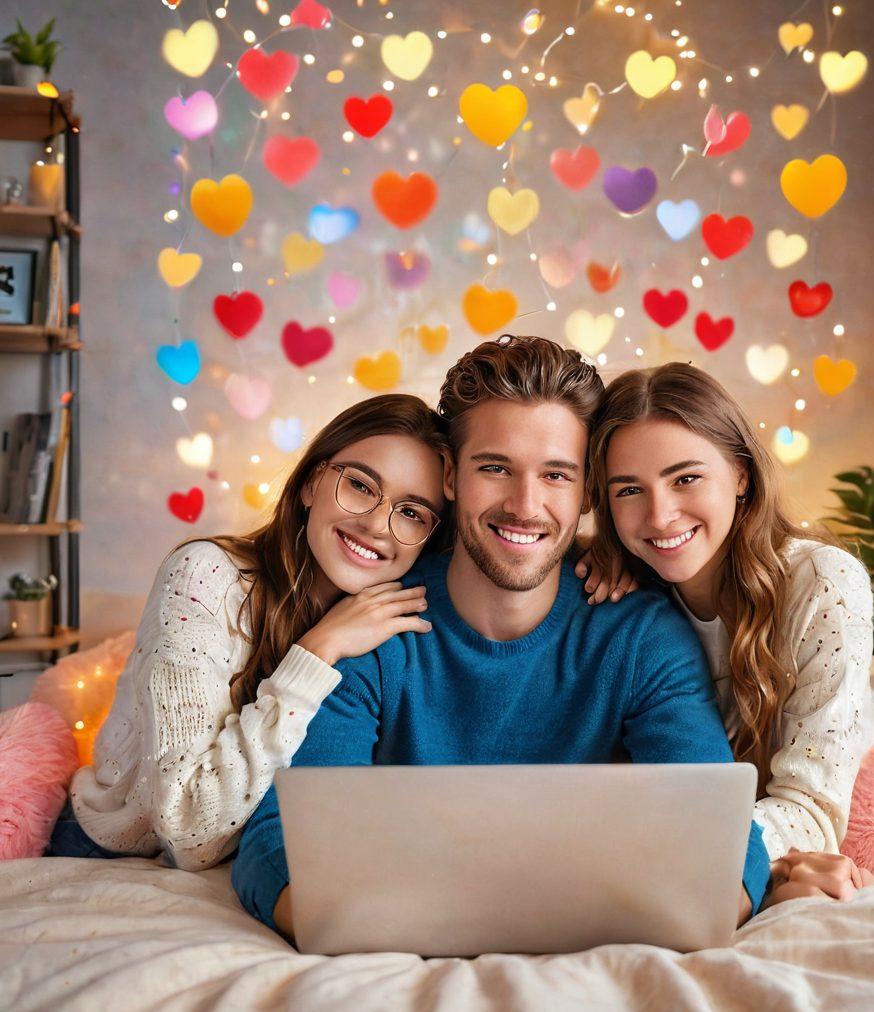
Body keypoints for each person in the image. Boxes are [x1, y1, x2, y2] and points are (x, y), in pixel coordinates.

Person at [231, 335, 772, 941]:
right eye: (495, 468)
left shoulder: (642, 637)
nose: (525, 504)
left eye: (556, 474)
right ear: (451, 477)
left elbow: (723, 842)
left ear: (587, 490)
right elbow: (279, 842)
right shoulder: (372, 628)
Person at [49, 394, 448, 869]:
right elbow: (187, 830)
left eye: (411, 513)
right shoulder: (204, 578)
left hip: (254, 861)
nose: (377, 524)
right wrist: (317, 653)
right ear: (311, 483)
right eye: (361, 486)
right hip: (111, 848)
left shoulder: (396, 620)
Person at [583, 362, 874, 905]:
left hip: (852, 795)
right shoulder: (620, 595)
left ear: (741, 473)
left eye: (686, 478)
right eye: (629, 489)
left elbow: (812, 806)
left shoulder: (822, 584)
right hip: (721, 835)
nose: (659, 515)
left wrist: (699, 850)